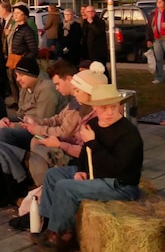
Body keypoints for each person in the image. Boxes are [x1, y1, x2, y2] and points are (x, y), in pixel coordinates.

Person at [35, 83, 143, 250]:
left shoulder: (128, 134)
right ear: (95, 108)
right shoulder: (93, 125)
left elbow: (118, 167)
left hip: (120, 185)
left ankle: (62, 234)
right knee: (53, 175)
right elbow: (86, 153)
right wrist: (82, 170)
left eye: (113, 107)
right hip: (97, 174)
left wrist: (92, 142)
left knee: (65, 187)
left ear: (120, 106)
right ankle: (50, 224)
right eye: (103, 108)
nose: (109, 112)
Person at [24, 60, 106, 186]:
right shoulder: (81, 106)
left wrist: (58, 143)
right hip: (76, 154)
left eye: (78, 91)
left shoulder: (91, 114)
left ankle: (39, 188)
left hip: (81, 161)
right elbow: (58, 120)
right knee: (35, 146)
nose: (75, 94)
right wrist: (36, 123)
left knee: (36, 150)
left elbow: (84, 149)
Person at [0, 54, 60, 150]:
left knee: (4, 132)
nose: (17, 79)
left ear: (31, 75)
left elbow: (42, 122)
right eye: (17, 75)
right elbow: (21, 114)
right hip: (25, 123)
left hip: (40, 132)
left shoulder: (46, 89)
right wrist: (6, 120)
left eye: (21, 75)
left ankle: (18, 160)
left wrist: (13, 125)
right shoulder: (26, 86)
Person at [6, 3, 40, 105]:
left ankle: (23, 104)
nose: (14, 15)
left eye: (17, 13)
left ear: (24, 15)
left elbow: (33, 49)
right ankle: (17, 102)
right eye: (14, 13)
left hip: (21, 60)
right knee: (12, 82)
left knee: (21, 85)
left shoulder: (27, 30)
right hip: (12, 59)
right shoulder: (16, 28)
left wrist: (24, 60)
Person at [145, 0, 165, 84]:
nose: (159, 4)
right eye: (158, 2)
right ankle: (159, 77)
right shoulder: (153, 14)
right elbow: (149, 27)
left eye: (161, 2)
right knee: (158, 59)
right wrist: (149, 39)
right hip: (156, 39)